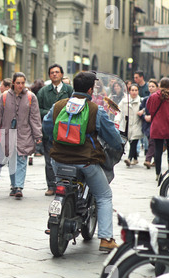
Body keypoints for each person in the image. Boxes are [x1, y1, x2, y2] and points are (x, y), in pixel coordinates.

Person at [42, 71, 123, 252]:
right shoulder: (96, 110)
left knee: (62, 183)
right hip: (85, 161)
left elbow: (47, 127)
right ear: (90, 89)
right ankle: (106, 238)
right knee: (104, 195)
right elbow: (112, 138)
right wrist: (119, 143)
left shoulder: (58, 106)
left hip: (58, 159)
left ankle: (58, 216)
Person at [0, 72, 42, 198]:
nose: (20, 85)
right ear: (13, 83)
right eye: (18, 83)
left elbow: (35, 117)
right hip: (8, 134)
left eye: (23, 83)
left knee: (22, 160)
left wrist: (38, 135)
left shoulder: (31, 97)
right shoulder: (4, 97)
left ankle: (19, 186)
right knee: (12, 161)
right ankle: (14, 185)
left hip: (24, 133)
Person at [37, 64, 73, 196]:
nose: (55, 74)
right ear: (49, 75)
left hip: (66, 131)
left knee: (65, 159)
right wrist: (51, 112)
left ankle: (64, 185)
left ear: (62, 74)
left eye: (57, 72)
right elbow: (37, 109)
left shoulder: (69, 90)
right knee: (49, 160)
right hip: (49, 131)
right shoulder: (43, 91)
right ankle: (51, 186)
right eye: (52, 72)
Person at [137, 79, 159, 169]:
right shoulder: (146, 99)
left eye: (153, 86)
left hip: (157, 124)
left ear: (157, 88)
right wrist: (144, 117)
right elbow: (140, 112)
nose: (151, 88)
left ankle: (148, 159)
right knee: (152, 142)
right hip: (147, 124)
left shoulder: (159, 99)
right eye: (149, 86)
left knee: (152, 142)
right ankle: (154, 160)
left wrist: (152, 117)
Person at [120, 83, 143, 166]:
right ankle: (135, 158)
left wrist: (142, 112)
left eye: (136, 90)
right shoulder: (124, 101)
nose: (134, 92)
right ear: (129, 91)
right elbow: (119, 111)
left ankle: (129, 158)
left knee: (134, 140)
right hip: (127, 124)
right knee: (130, 141)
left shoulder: (141, 101)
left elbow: (145, 109)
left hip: (137, 123)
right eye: (132, 90)